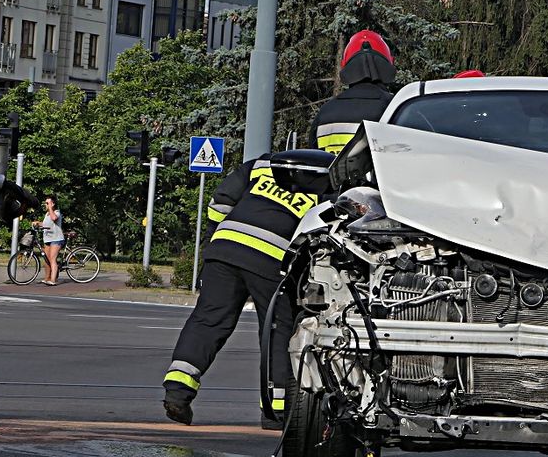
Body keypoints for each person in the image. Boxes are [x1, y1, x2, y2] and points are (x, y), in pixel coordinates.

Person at [161, 152, 331, 428]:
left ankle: (177, 393)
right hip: (271, 259)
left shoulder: (265, 163)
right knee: (278, 330)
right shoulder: (331, 178)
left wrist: (211, 241)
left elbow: (220, 203)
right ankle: (276, 411)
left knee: (207, 320)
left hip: (225, 247)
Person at [309, 30, 397, 154]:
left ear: (345, 66)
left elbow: (313, 160)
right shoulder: (397, 109)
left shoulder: (325, 113)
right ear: (389, 64)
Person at [30, 195, 64, 286]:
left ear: (53, 204)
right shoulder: (47, 214)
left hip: (56, 239)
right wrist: (38, 223)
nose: (45, 204)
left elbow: (54, 219)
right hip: (48, 239)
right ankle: (47, 278)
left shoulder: (56, 212)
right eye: (46, 203)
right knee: (47, 260)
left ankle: (53, 280)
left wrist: (50, 208)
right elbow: (45, 224)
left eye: (47, 203)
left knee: (52, 259)